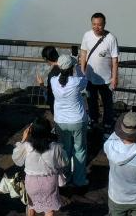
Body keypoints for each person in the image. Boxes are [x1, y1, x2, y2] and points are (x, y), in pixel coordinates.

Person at [12, 117, 67, 216]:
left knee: (31, 205)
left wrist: (24, 139)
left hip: (31, 183)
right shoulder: (56, 147)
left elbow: (16, 159)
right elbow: (64, 162)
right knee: (49, 209)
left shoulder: (27, 146)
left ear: (31, 131)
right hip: (49, 182)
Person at [50, 54, 88, 188]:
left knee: (65, 150)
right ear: (72, 67)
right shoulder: (77, 82)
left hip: (60, 121)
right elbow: (84, 77)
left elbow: (58, 75)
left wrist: (58, 66)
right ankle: (79, 180)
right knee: (80, 150)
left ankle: (64, 178)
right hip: (77, 120)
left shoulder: (53, 81)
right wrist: (77, 65)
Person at [79, 12, 119, 133]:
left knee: (107, 103)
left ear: (104, 24)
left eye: (99, 25)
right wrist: (82, 70)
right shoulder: (87, 35)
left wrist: (114, 78)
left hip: (106, 79)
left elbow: (115, 59)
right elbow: (83, 52)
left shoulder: (111, 38)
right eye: (94, 24)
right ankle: (93, 120)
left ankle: (107, 123)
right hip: (90, 77)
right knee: (91, 101)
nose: (96, 27)